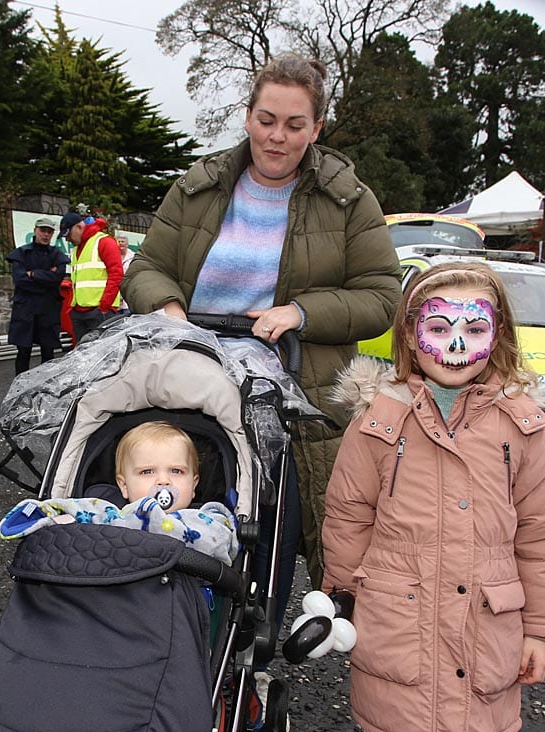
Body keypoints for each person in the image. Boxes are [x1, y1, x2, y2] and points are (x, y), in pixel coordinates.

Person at [321, 262, 545, 732]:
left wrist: (543, 630)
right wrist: (345, 600)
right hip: (401, 618)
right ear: (411, 334)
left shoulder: (522, 427)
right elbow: (348, 512)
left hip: (483, 621)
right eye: (440, 327)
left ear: (500, 336)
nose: (457, 345)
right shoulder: (380, 421)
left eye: (474, 328)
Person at [122, 53, 402, 627]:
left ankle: (252, 639)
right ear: (247, 116)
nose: (278, 136)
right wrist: (169, 307)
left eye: (295, 125)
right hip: (190, 370)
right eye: (267, 119)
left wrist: (300, 312)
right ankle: (152, 617)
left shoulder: (350, 202)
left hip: (293, 384)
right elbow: (146, 267)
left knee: (272, 522)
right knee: (184, 487)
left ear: (316, 128)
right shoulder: (198, 188)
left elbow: (382, 296)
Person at [0, 421, 239, 566]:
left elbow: (219, 543)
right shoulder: (110, 512)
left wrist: (154, 518)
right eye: (147, 472)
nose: (163, 480)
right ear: (123, 486)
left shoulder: (207, 518)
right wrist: (44, 514)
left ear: (194, 483)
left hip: (182, 605)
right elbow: (74, 511)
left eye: (176, 471)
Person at [6, 216, 70, 375]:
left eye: (49, 232)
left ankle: (45, 388)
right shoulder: (21, 253)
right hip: (25, 309)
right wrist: (46, 278)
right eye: (43, 230)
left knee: (48, 352)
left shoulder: (56, 255)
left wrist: (33, 274)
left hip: (48, 310)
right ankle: (19, 388)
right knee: (23, 352)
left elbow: (57, 279)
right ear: (35, 231)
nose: (46, 234)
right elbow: (20, 280)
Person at [58, 212, 124, 342]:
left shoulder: (104, 242)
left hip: (99, 311)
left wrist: (104, 306)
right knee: (83, 356)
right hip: (80, 311)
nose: (67, 240)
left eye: (68, 235)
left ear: (78, 227)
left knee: (103, 356)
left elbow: (116, 275)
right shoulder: (77, 249)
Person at [116, 234, 135, 314]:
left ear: (127, 244)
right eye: (118, 241)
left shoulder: (133, 256)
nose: (120, 243)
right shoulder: (112, 256)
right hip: (116, 294)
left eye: (122, 241)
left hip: (128, 291)